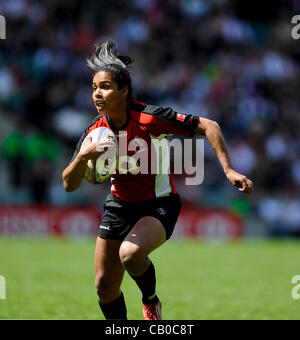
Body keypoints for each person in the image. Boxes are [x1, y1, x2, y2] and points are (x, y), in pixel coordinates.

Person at [62, 41, 253, 320]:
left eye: (104, 87)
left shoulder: (149, 119)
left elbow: (209, 126)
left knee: (129, 254)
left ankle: (150, 301)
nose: (97, 94)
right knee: (104, 287)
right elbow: (69, 184)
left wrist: (229, 170)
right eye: (93, 87)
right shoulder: (95, 132)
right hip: (118, 206)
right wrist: (83, 157)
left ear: (123, 90)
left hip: (158, 205)